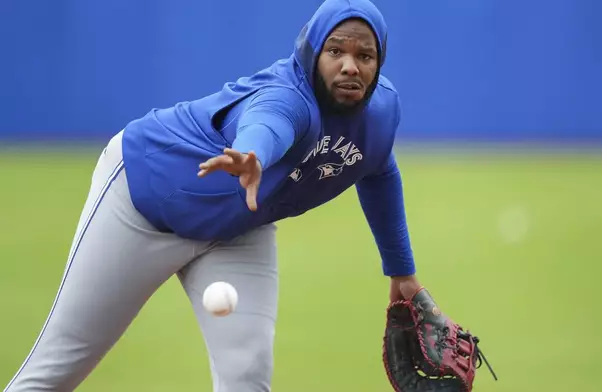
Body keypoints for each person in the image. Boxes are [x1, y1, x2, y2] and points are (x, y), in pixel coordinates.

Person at [3, 0, 425, 391]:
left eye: (364, 56)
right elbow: (267, 122)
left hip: (238, 227)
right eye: (336, 51)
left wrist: (401, 270)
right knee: (55, 373)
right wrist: (253, 154)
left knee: (247, 377)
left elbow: (378, 169)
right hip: (143, 203)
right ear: (312, 53)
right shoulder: (288, 98)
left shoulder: (381, 112)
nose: (350, 66)